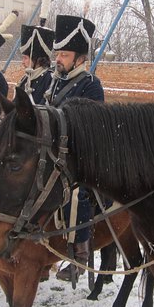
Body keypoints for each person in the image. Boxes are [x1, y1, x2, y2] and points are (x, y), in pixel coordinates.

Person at [44, 14, 104, 281]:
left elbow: (91, 126)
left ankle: (79, 256)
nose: (59, 59)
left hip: (81, 155)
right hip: (53, 151)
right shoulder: (56, 81)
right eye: (58, 53)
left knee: (77, 194)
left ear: (79, 58)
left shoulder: (91, 85)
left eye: (65, 54)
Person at [18, 23, 54, 105]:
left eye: (25, 58)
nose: (22, 62)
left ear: (37, 59)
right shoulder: (25, 79)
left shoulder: (50, 79)